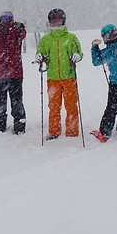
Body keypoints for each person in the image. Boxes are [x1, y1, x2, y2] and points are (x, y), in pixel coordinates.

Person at [35, 8, 84, 139]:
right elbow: (41, 52)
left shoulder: (71, 38)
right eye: (53, 20)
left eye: (58, 20)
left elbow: (79, 52)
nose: (56, 23)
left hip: (69, 77)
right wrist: (40, 56)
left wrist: (76, 56)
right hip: (53, 78)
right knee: (54, 106)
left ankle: (72, 131)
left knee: (71, 105)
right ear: (50, 22)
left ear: (63, 20)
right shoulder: (46, 40)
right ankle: (54, 131)